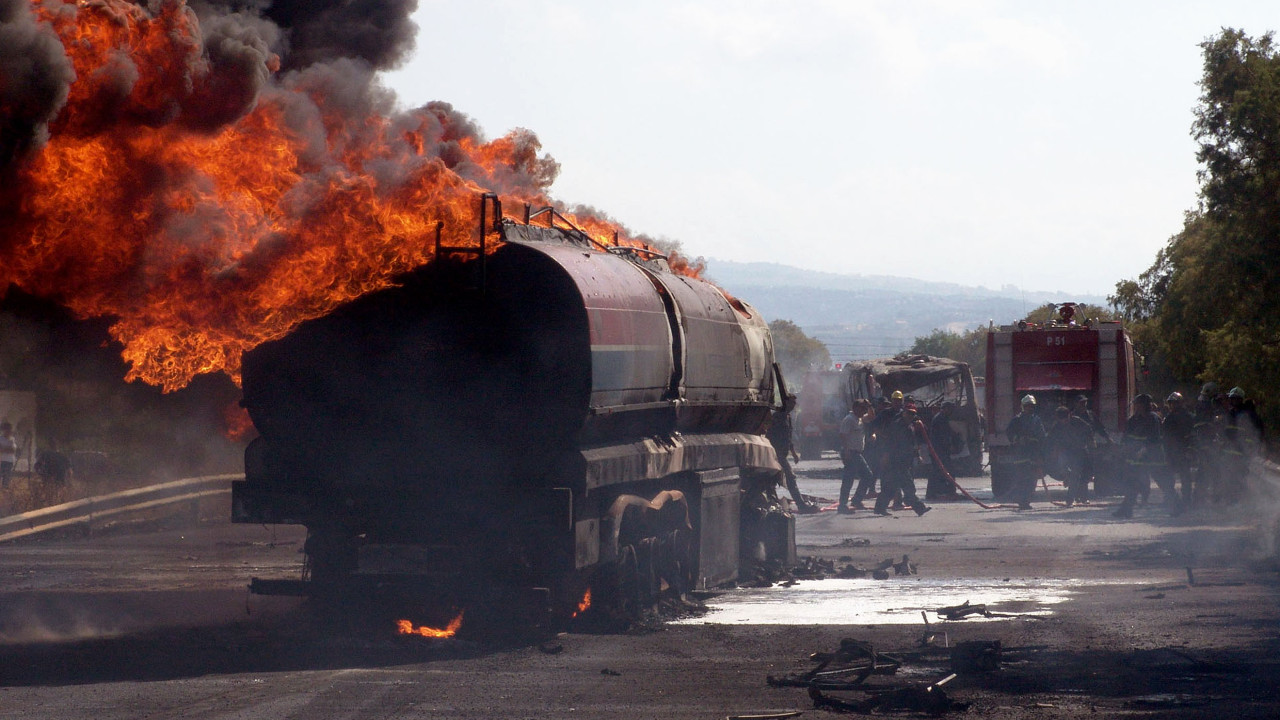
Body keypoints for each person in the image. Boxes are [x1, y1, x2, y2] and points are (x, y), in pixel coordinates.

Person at [1114, 394, 1182, 518]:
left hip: (1154, 457)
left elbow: (1155, 437)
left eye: (1138, 404)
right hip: (1137, 458)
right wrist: (1123, 448)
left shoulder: (1153, 419)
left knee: (1164, 483)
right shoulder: (1133, 419)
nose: (1135, 406)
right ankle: (1126, 510)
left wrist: (1144, 449)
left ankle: (1177, 506)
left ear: (1144, 405)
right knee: (1133, 483)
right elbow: (1126, 436)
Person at [872, 403, 931, 517]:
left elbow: (911, 443)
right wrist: (886, 455)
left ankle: (880, 508)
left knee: (891, 487)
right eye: (909, 413)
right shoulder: (897, 425)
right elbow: (889, 442)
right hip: (895, 461)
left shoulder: (910, 426)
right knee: (906, 486)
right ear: (904, 412)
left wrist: (916, 455)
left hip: (903, 462)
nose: (910, 415)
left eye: (913, 414)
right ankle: (918, 507)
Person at [768, 393, 817, 513]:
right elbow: (770, 434)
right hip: (776, 453)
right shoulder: (777, 417)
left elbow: (788, 437)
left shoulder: (787, 417)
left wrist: (794, 453)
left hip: (782, 453)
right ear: (786, 402)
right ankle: (801, 505)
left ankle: (771, 502)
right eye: (791, 403)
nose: (793, 406)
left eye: (794, 404)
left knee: (772, 480)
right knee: (790, 478)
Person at [1005, 395, 1047, 510]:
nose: (1030, 408)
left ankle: (1026, 501)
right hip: (1021, 454)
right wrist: (1018, 439)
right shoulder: (1017, 420)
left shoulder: (1036, 420)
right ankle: (1021, 501)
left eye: (1032, 406)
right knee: (1021, 479)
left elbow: (1042, 437)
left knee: (1032, 480)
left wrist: (1041, 454)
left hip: (1033, 454)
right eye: (1028, 406)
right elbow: (1009, 432)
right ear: (1023, 407)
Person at [1047, 405, 1094, 506]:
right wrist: (1053, 450)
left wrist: (1090, 440)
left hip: (1079, 451)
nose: (1064, 422)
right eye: (1061, 420)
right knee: (1063, 466)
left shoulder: (1077, 421)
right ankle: (1066, 476)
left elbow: (1088, 429)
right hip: (1066, 451)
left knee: (1078, 475)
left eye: (1065, 419)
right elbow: (1050, 439)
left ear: (1069, 415)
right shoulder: (1057, 426)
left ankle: (1073, 499)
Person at [837, 399, 875, 513]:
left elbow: (872, 417)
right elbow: (843, 435)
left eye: (865, 408)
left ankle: (857, 500)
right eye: (862, 408)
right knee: (848, 479)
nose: (864, 411)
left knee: (868, 476)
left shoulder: (859, 419)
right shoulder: (849, 419)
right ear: (856, 408)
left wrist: (869, 406)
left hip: (857, 453)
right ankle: (842, 505)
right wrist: (847, 451)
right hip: (850, 452)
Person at [1161, 392, 1196, 505]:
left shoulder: (1189, 417)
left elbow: (1193, 435)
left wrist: (1190, 449)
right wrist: (1166, 452)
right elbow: (1165, 436)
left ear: (1180, 403)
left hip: (1184, 451)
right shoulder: (1168, 418)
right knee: (1168, 477)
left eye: (1175, 403)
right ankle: (1172, 499)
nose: (1172, 406)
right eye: (1171, 403)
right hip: (1172, 452)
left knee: (1185, 477)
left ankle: (1186, 499)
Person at [925, 401, 961, 500]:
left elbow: (948, 433)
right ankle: (948, 492)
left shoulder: (942, 418)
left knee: (938, 472)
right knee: (946, 471)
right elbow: (943, 436)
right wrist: (950, 446)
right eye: (950, 409)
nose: (951, 411)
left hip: (939, 450)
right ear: (945, 408)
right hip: (938, 451)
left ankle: (935, 493)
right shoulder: (940, 419)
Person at [0, 422, 16, 490]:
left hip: (10, 461)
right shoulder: (1, 439)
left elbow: (13, 450)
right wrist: (7, 449)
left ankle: (4, 489)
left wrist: (5, 449)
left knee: (7, 477)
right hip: (2, 460)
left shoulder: (12, 439)